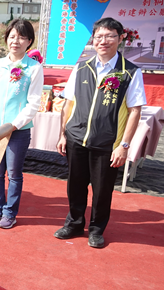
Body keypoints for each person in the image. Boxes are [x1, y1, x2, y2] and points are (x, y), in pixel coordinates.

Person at [54, 17, 146, 248]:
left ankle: (96, 230)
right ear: (93, 40)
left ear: (120, 38)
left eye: (109, 36)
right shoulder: (82, 67)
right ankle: (74, 224)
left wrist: (123, 146)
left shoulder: (130, 72)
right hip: (76, 138)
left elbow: (135, 110)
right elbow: (68, 103)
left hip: (107, 144)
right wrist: (63, 134)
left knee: (102, 190)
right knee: (75, 185)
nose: (103, 41)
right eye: (99, 37)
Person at [0, 19, 43, 229]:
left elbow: (33, 103)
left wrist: (14, 125)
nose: (15, 41)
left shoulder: (34, 68)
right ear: (6, 38)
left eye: (21, 37)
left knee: (14, 174)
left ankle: (10, 212)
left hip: (18, 131)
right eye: (12, 36)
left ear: (29, 41)